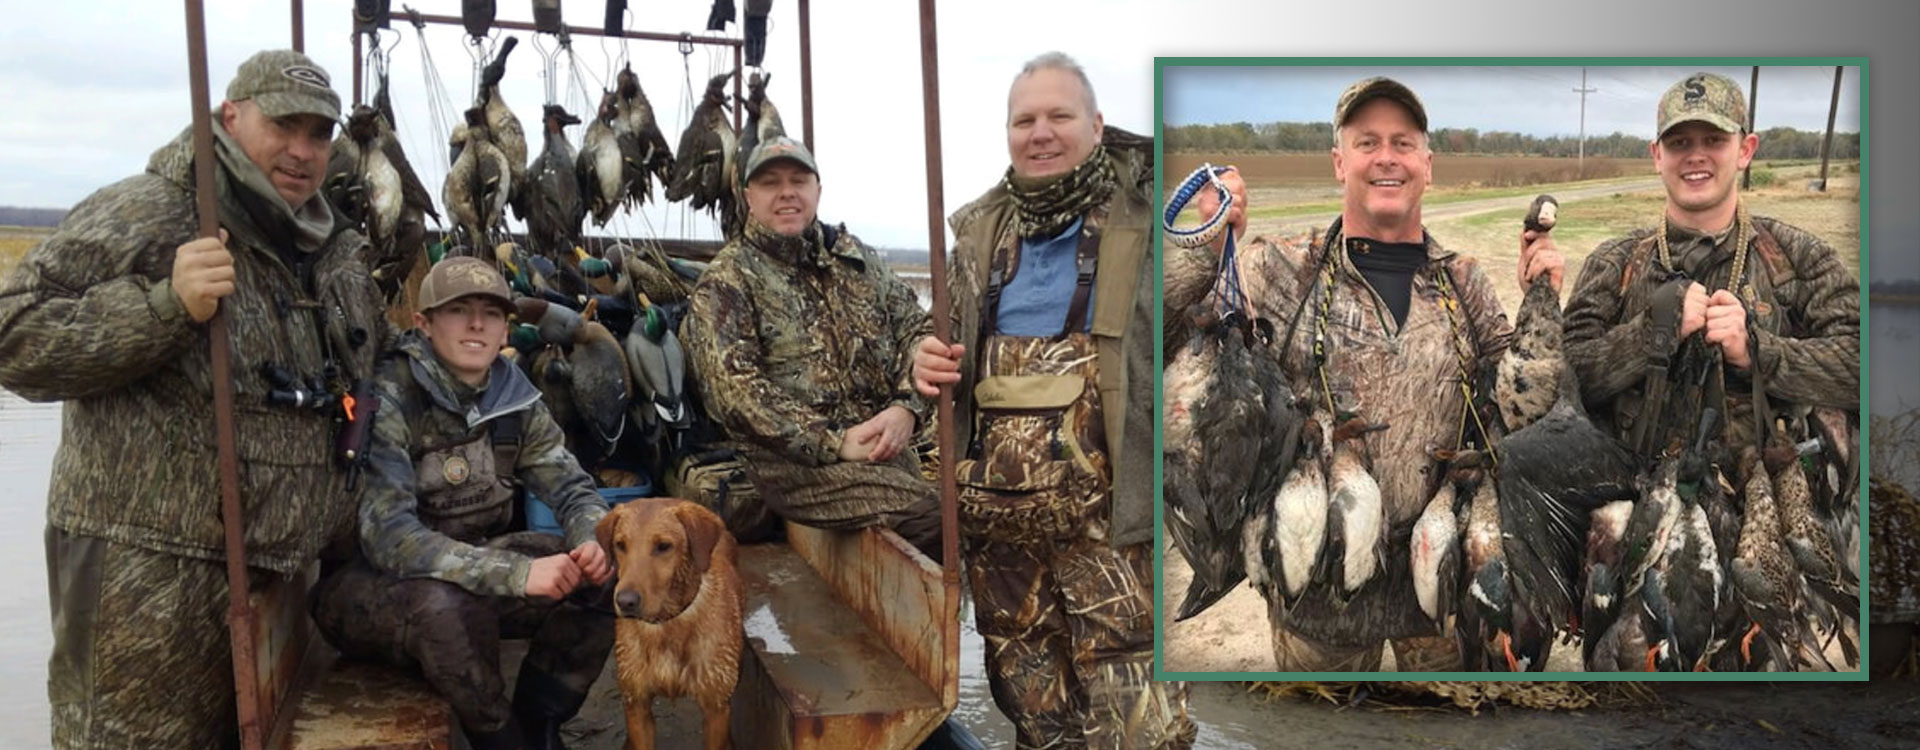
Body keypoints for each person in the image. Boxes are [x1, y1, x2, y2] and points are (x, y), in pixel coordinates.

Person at [0, 51, 393, 746]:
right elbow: (15, 338)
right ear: (230, 117)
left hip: (275, 580)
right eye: (284, 126)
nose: (303, 151)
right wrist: (163, 307)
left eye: (318, 134)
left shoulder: (328, 243)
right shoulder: (151, 211)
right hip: (148, 584)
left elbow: (367, 370)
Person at [1160, 77, 1564, 671]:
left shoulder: (1465, 281)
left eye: (1403, 143)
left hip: (1440, 592)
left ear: (1428, 165)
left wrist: (1541, 304)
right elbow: (1164, 338)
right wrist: (1207, 245)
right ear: (1338, 161)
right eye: (1367, 142)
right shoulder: (1280, 268)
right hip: (1316, 595)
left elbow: (1524, 410)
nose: (1386, 158)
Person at [911, 52, 1195, 748]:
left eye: (1059, 116)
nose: (1040, 133)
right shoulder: (979, 235)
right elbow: (940, 347)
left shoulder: (1150, 217)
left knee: (1141, 730)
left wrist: (1211, 241)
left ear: (1097, 126)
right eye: (1024, 120)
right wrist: (920, 359)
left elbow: (1194, 330)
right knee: (1038, 724)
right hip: (1002, 538)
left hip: (1114, 537)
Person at [309, 256, 614, 750]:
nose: (476, 325)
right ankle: (499, 738)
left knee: (606, 575)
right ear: (423, 323)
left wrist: (592, 539)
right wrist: (515, 574)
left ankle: (540, 726)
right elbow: (390, 538)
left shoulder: (515, 399)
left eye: (491, 314)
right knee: (449, 607)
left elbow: (573, 490)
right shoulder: (389, 398)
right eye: (458, 311)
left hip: (474, 565)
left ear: (505, 329)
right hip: (371, 589)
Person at [1563, 71, 1858, 463]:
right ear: (1657, 156)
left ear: (1746, 150)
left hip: (1768, 487)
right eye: (1679, 142)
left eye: (1714, 140)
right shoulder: (1613, 263)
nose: (1696, 155)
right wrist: (1650, 335)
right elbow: (1562, 377)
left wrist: (1758, 352)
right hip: (1630, 488)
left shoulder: (1801, 258)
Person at [683, 135, 944, 560]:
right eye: (771, 183)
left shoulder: (857, 261)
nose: (787, 192)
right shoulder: (728, 281)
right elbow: (734, 393)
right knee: (937, 521)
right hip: (795, 469)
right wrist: (834, 442)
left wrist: (906, 408)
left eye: (798, 180)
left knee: (968, 506)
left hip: (882, 451)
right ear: (748, 198)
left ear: (817, 191)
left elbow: (918, 330)